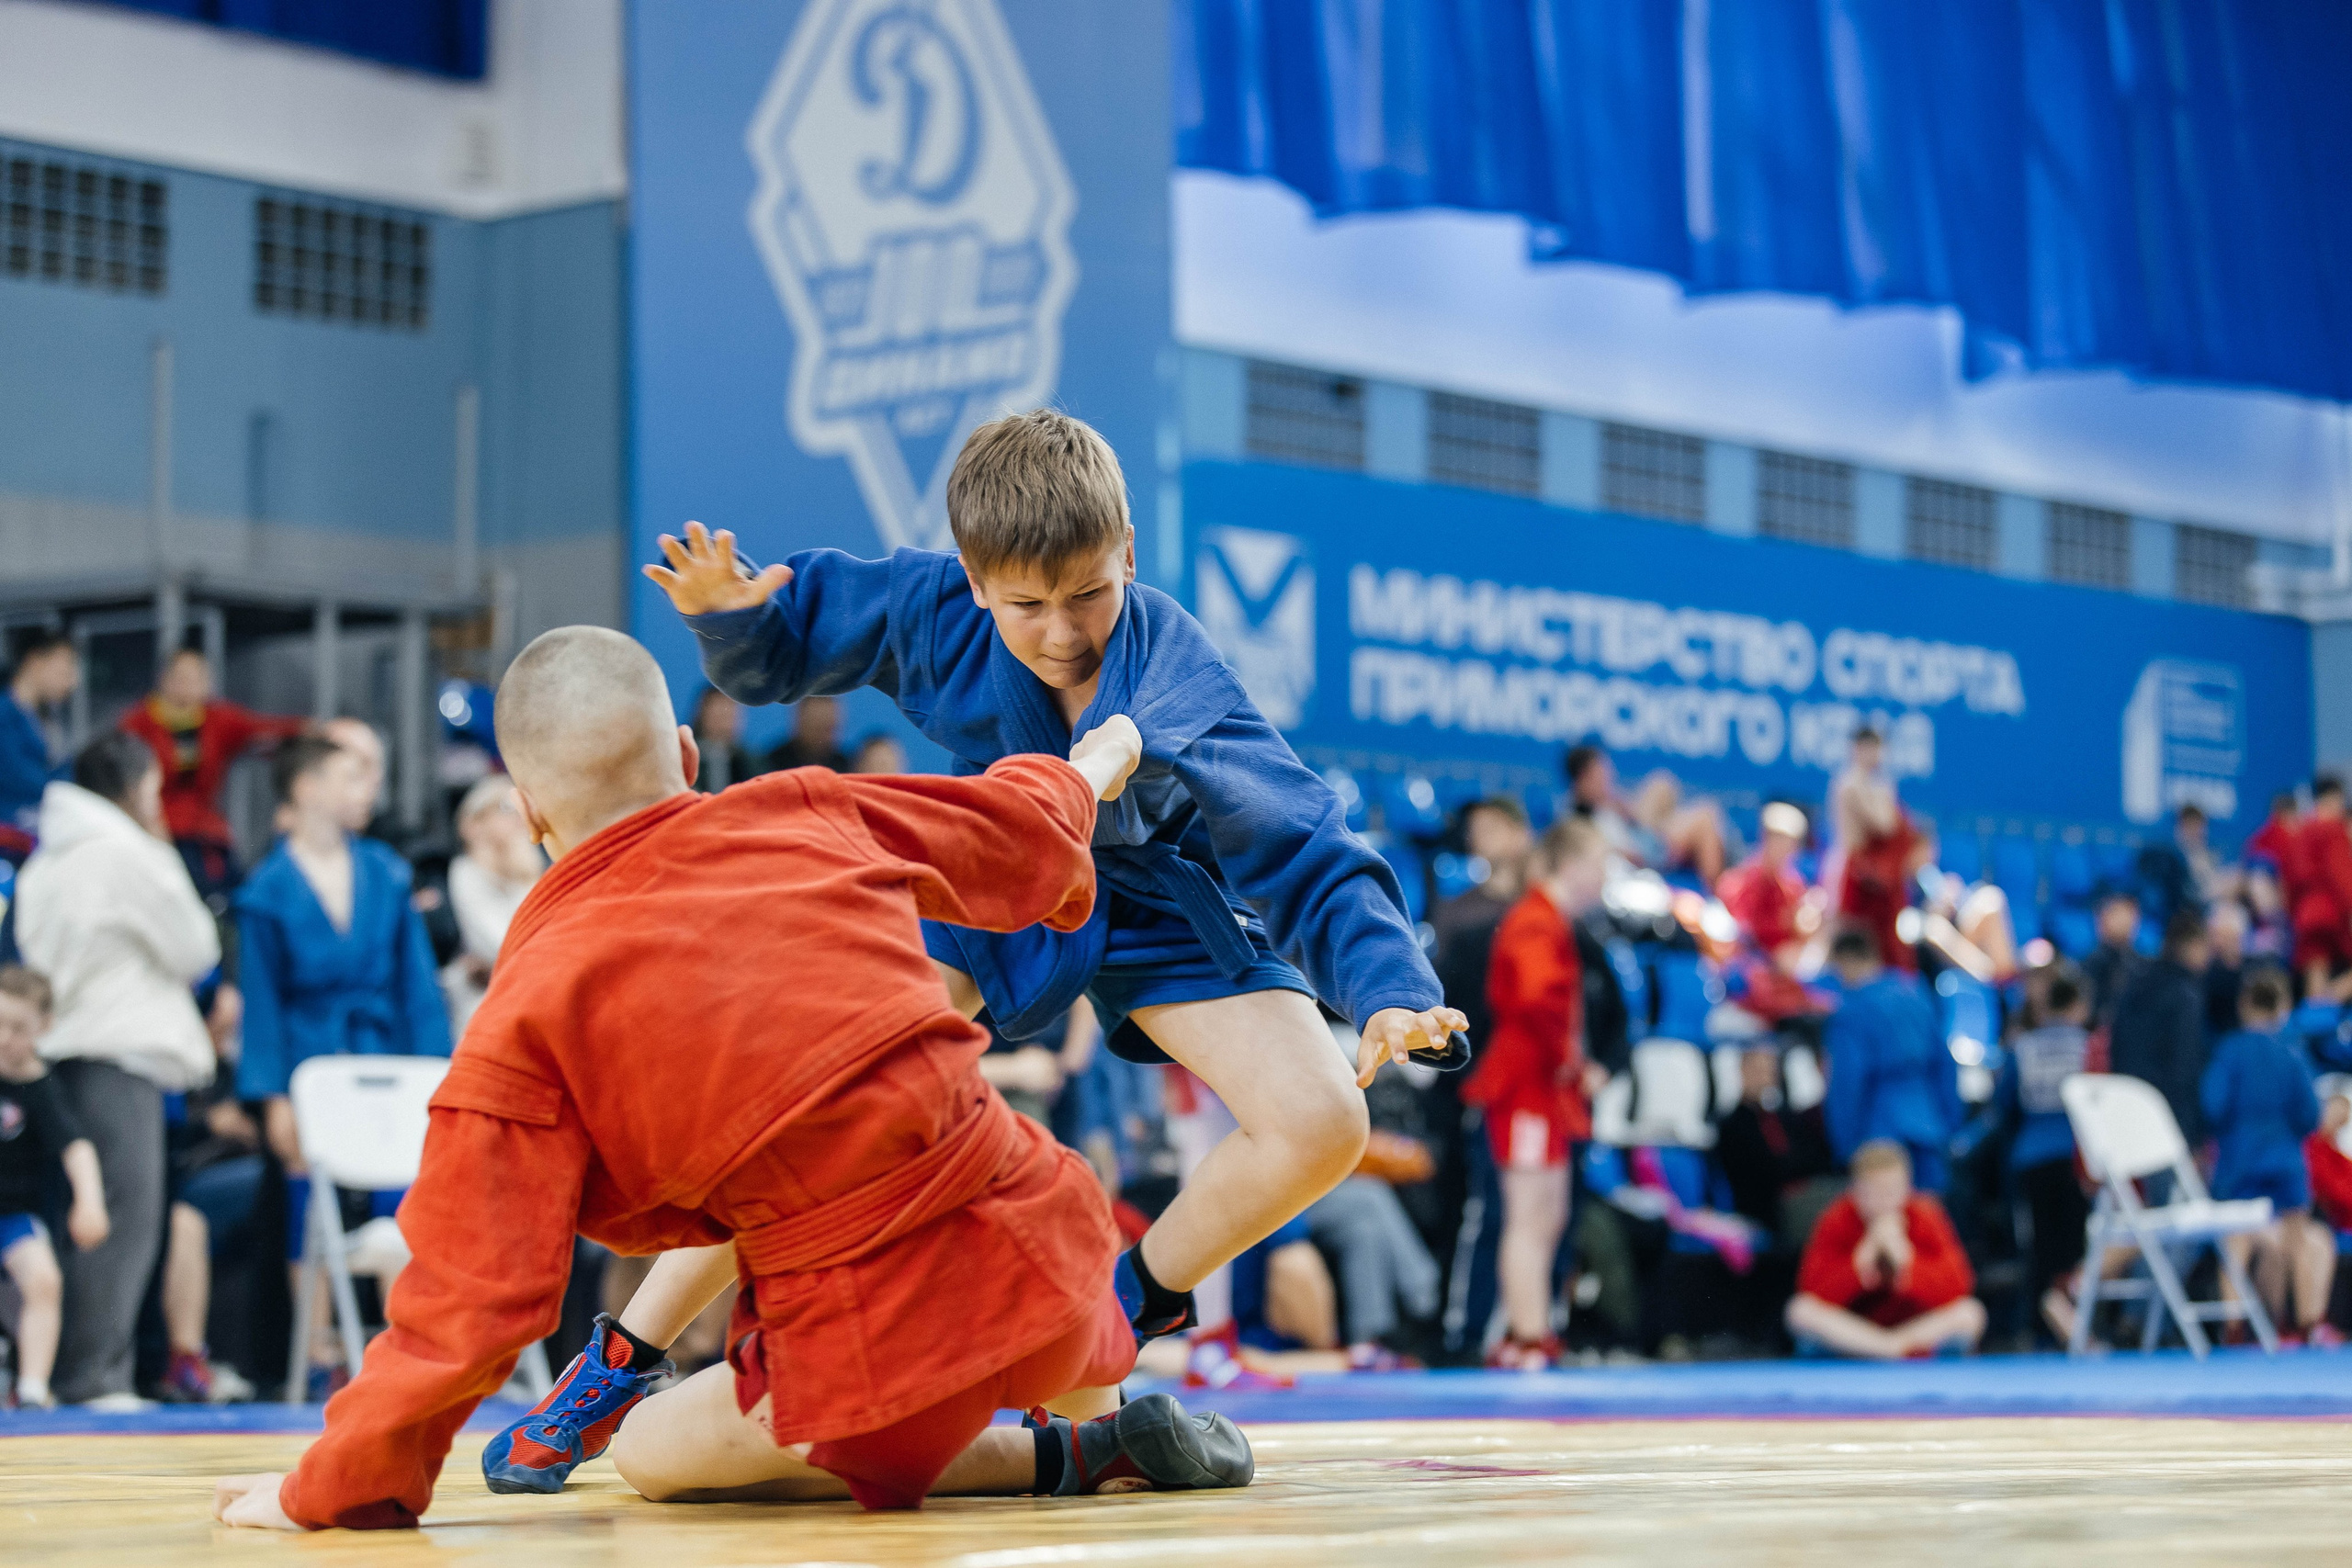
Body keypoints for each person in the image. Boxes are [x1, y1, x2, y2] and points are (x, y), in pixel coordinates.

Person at [211, 626, 1248, 1530]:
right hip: (1060, 1262)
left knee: (652, 1457)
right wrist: (1096, 759)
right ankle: (1096, 1420)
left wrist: (325, 1488)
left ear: (528, 813)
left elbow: (465, 1305)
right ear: (685, 753)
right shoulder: (807, 807)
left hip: (880, 1360)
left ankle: (1068, 1457)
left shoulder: (525, 1010)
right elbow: (1013, 828)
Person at [609, 409, 1458, 1420]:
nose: (1062, 632)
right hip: (994, 865)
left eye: (1089, 594)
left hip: (1155, 900)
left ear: (1128, 556)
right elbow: (792, 637)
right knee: (819, 1098)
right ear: (973, 581)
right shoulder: (932, 609)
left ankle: (1127, 1307)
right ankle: (624, 1356)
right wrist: (733, 620)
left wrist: (1388, 988)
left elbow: (1303, 839)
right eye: (1026, 605)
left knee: (1323, 1120)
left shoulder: (1182, 673)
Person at [235, 736, 453, 1397]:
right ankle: (320, 1349)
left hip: (385, 1045)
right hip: (309, 1058)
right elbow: (263, 1004)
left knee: (402, 1195)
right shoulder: (266, 890)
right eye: (347, 778)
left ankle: (406, 1341)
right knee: (310, 1199)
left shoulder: (385, 871)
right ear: (304, 789)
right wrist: (273, 1096)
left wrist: (437, 1073)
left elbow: (417, 983)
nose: (366, 791)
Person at [13, 732, 220, 1406]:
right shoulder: (129, 852)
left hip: (60, 1053)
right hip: (117, 1056)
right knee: (122, 1219)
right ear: (136, 788)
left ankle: (65, 1372)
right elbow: (196, 947)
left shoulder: (48, 858)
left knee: (77, 1218)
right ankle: (94, 1375)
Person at [1464, 816, 1608, 1369]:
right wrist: (1573, 1064)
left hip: (1543, 1089)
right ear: (1571, 865)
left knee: (1547, 1214)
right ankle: (1525, 1336)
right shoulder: (1534, 921)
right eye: (1598, 865)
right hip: (1526, 1088)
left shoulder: (1547, 921)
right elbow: (1535, 1000)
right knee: (1528, 1214)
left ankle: (1535, 1328)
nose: (1602, 879)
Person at [2202, 968, 2333, 1342]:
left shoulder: (2229, 1050)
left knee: (2236, 1239)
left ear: (2245, 1005)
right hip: (2286, 1163)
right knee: (2297, 1241)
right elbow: (2310, 1115)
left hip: (2239, 1161)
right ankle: (2306, 1324)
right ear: (2283, 1008)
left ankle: (2234, 1324)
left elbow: (2213, 1105)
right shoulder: (2291, 1052)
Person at [0, 965, 110, 1408]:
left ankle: (32, 1387)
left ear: (45, 1027)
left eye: (19, 1028)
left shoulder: (40, 1087)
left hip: (13, 1218)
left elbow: (76, 1146)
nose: (5, 1037)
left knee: (44, 1280)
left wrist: (90, 1201)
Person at [119, 647, 308, 901]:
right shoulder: (139, 721)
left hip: (205, 828)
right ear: (165, 679)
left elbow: (263, 728)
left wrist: (312, 729)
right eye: (182, 677)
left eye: (199, 678)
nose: (191, 685)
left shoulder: (216, 718)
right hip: (155, 828)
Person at [1785, 1140, 1984, 1359]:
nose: (1883, 1203)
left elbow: (1960, 1286)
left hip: (1915, 1327)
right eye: (1873, 1193)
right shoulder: (1837, 1217)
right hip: (1855, 1329)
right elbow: (1812, 1290)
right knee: (1799, 1311)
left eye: (1890, 1192)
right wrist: (1859, 1263)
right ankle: (1891, 1349)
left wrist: (1907, 1262)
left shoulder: (1926, 1214)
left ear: (1907, 1188)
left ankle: (1889, 1348)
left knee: (1970, 1312)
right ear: (1855, 1191)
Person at [1819, 926, 1962, 1193]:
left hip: (1879, 1127)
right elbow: (1945, 1064)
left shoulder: (1851, 1011)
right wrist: (1949, 1120)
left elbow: (1847, 1082)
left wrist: (1844, 1145)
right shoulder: (1916, 992)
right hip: (1928, 1122)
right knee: (1929, 1217)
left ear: (1845, 960)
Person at [1998, 965, 2092, 1341]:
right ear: (2078, 1006)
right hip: (2076, 1158)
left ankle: (2039, 1328)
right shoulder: (2088, 1045)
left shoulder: (2024, 1047)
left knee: (2039, 1246)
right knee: (2078, 1243)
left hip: (2033, 1156)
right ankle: (2076, 1319)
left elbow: (2005, 1102)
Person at [441, 774, 545, 1034]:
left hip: (532, 1006)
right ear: (473, 824)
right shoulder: (463, 874)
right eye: (506, 809)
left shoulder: (529, 878)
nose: (518, 819)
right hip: (479, 1015)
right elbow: (500, 945)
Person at [2109, 909, 2212, 1147]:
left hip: (2128, 1110)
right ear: (2191, 946)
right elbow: (2184, 1066)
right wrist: (2191, 1134)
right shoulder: (2185, 995)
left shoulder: (2131, 987)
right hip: (2169, 1120)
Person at [1828, 728, 1925, 973]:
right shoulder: (1851, 784)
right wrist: (1886, 795)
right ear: (1858, 749)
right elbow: (1885, 824)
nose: (1877, 756)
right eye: (1872, 749)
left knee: (1881, 947)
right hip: (1856, 874)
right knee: (1852, 941)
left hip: (1873, 880)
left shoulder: (1873, 784)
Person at [1718, 802, 1822, 1024]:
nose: (1783, 847)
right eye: (1776, 838)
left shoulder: (1795, 887)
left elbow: (1801, 939)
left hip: (1787, 981)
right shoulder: (1737, 882)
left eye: (1790, 841)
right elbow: (1739, 936)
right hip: (1751, 979)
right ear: (1764, 837)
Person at [0, 631, 78, 863]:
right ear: (35, 662)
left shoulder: (41, 719)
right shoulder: (5, 718)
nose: (71, 682)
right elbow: (24, 782)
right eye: (63, 672)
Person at [2290, 776, 2352, 1000]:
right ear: (2336, 796)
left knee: (2315, 981)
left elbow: (2291, 879)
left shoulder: (2302, 829)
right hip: (2330, 915)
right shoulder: (2334, 829)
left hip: (2306, 915)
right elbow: (2342, 878)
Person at [2080, 890, 2146, 1029]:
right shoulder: (2088, 967)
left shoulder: (2143, 967)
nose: (2127, 921)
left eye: (2132, 915)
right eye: (2116, 913)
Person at [688, 687, 762, 794]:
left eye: (732, 711)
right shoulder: (687, 755)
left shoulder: (749, 760)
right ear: (702, 713)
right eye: (719, 710)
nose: (726, 717)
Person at [763, 693, 852, 773]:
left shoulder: (844, 765)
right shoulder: (773, 763)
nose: (824, 737)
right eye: (818, 728)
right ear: (799, 720)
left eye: (830, 729)